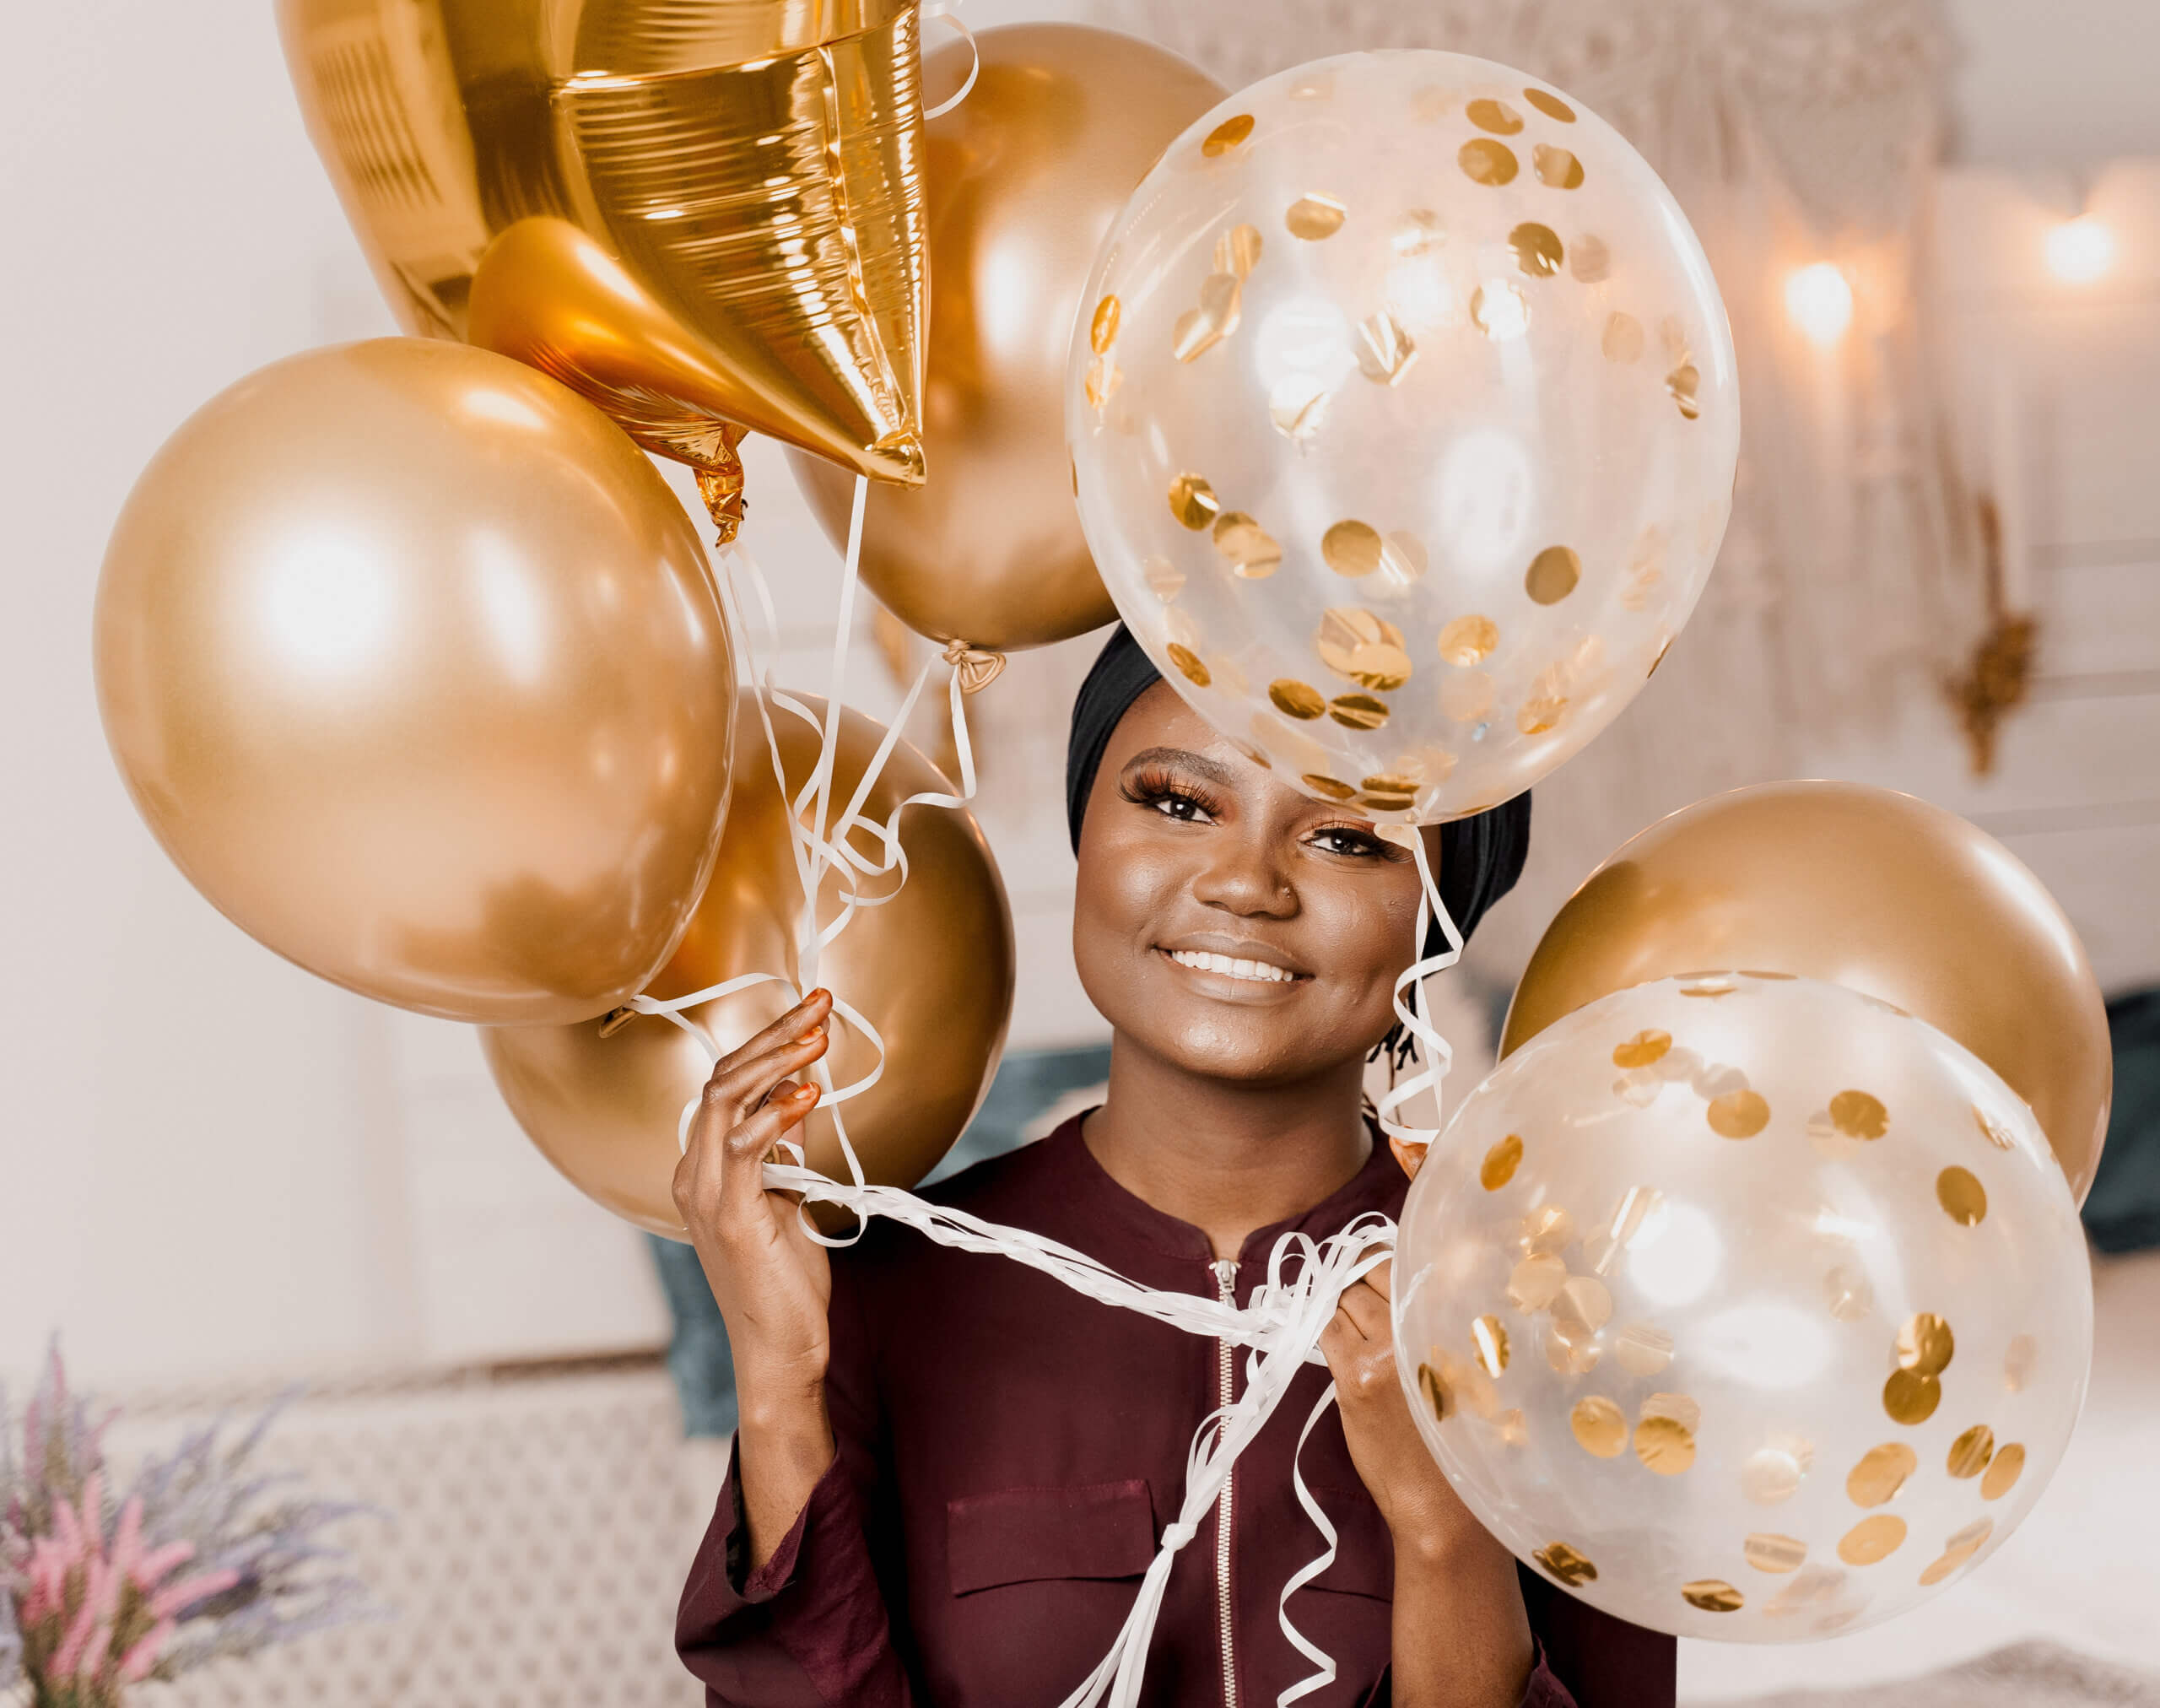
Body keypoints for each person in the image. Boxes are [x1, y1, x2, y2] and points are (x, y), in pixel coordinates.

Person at [673, 627, 1674, 1706]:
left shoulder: (1550, 1317)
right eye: (1180, 802)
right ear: (1084, 832)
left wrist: (1443, 1527)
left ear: (1440, 919)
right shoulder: (884, 1299)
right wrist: (778, 1385)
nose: (1246, 883)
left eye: (1348, 838)